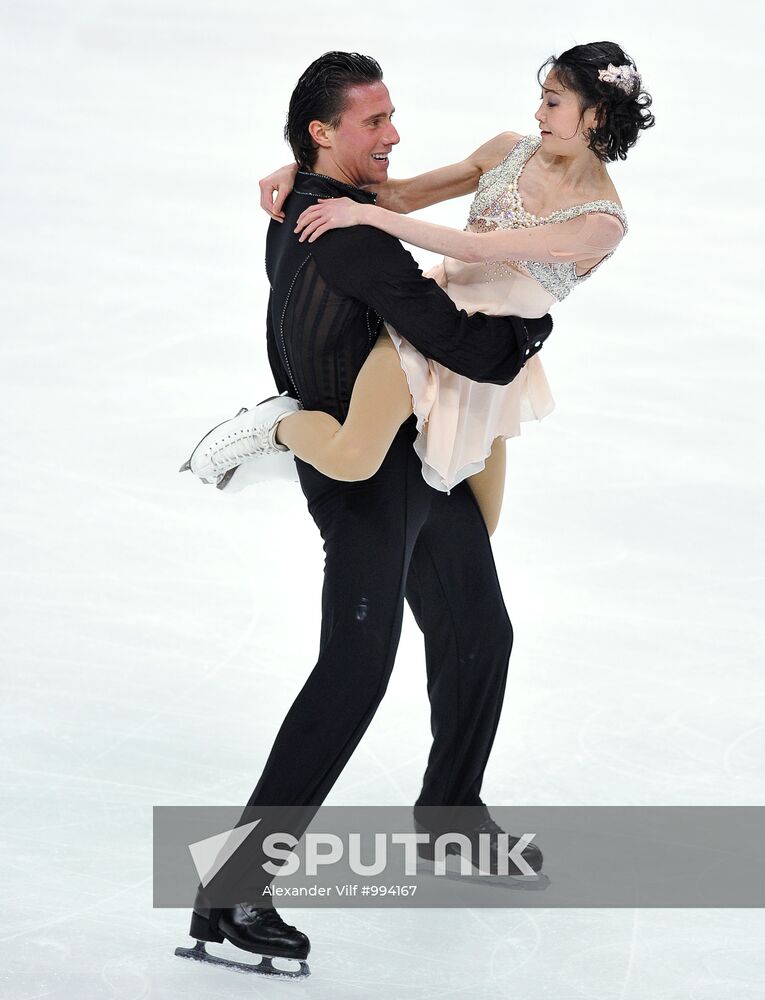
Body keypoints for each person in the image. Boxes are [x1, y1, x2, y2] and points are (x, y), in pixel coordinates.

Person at [178, 49, 560, 978]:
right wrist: (536, 321)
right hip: (364, 482)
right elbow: (459, 344)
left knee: (479, 632)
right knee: (353, 675)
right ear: (322, 132)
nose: (393, 135)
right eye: (373, 123)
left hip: (411, 455)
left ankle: (448, 816)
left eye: (391, 118)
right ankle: (230, 897)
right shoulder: (347, 238)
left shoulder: (305, 200)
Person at [183, 41, 653, 541]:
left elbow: (478, 249)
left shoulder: (600, 224)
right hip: (429, 325)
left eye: (554, 101)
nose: (538, 112)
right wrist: (306, 172)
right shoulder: (510, 151)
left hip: (488, 357)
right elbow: (402, 195)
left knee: (474, 535)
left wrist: (367, 214)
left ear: (597, 114)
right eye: (542, 98)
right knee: (353, 457)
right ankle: (275, 427)